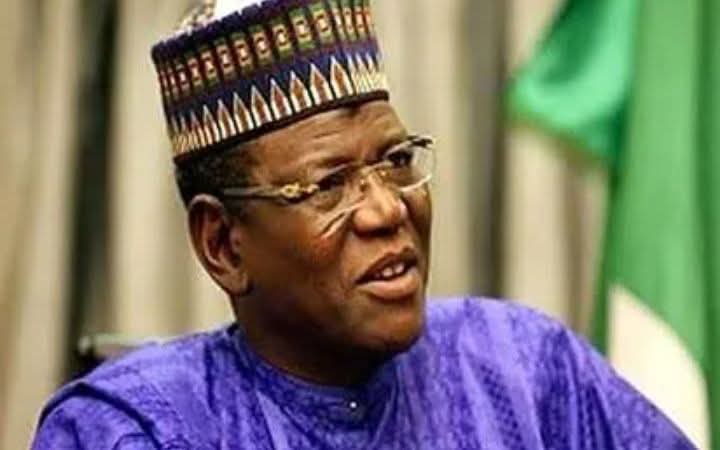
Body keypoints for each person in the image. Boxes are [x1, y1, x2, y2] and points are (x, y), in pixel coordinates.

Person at [32, 0, 695, 448]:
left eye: (397, 161)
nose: (388, 209)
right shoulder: (133, 430)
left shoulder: (527, 370)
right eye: (328, 186)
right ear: (223, 245)